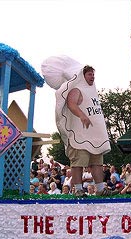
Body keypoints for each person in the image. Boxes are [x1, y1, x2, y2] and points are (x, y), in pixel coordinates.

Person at [52, 64, 117, 197]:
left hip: (94, 135)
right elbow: (71, 103)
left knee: (97, 163)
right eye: (89, 74)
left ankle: (100, 189)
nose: (92, 77)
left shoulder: (92, 91)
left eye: (93, 74)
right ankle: (78, 190)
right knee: (78, 163)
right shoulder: (77, 89)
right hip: (80, 135)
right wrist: (82, 116)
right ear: (83, 75)